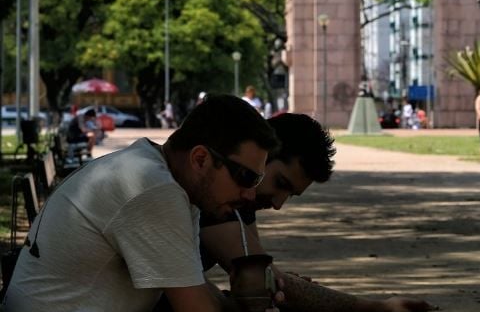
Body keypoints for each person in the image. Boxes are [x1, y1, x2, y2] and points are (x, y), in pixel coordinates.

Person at [5, 94, 280, 312]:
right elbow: (197, 308)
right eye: (246, 177)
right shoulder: (153, 189)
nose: (250, 194)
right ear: (200, 159)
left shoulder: (170, 180)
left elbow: (192, 284)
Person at [195, 113, 435, 312]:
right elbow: (269, 279)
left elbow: (262, 281)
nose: (278, 204)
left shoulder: (241, 202)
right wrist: (378, 308)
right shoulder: (217, 195)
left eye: (290, 194)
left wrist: (284, 285)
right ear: (260, 156)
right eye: (280, 183)